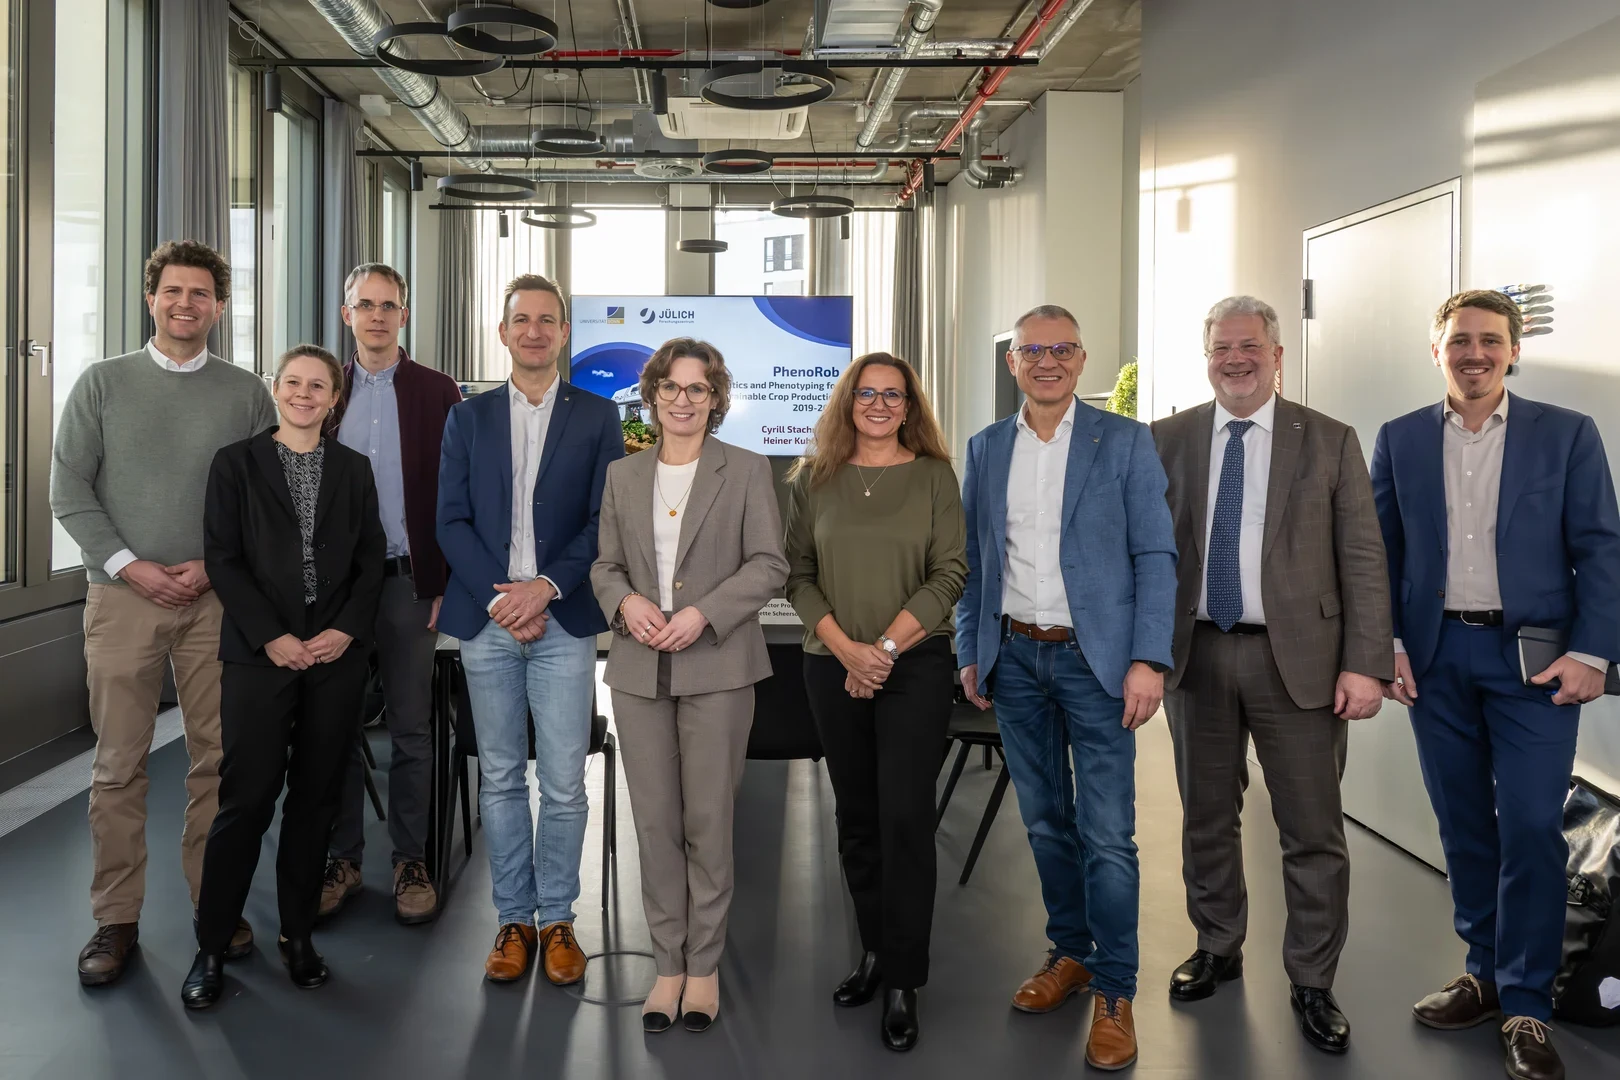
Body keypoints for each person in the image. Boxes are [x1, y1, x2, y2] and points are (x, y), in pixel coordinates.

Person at [1371, 290, 1620, 1080]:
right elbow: (1379, 555)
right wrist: (1388, 645)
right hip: (1438, 659)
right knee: (1464, 825)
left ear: (1513, 350)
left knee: (1530, 830)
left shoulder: (1567, 435)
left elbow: (1603, 550)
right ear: (1434, 349)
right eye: (1459, 342)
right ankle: (1483, 971)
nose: (1473, 355)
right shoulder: (1402, 439)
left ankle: (1527, 1003)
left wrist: (1592, 654)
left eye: (1489, 341)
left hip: (1533, 665)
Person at [1150, 295, 1391, 1054]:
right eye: (1222, 347)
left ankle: (1312, 979)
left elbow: (1363, 560)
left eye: (1250, 346)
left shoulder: (1328, 440)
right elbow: (1149, 556)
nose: (1236, 359)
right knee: (1205, 817)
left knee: (1312, 830)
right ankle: (1218, 946)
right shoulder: (1168, 438)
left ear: (1277, 355)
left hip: (1305, 664)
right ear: (1208, 356)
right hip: (1198, 654)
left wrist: (1366, 664)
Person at [955, 304, 1176, 1071]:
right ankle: (1070, 953)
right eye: (1031, 350)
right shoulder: (985, 449)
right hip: (1014, 660)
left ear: (1082, 361)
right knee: (1047, 821)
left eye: (1061, 349)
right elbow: (974, 564)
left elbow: (1155, 555)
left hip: (1098, 664)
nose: (1046, 361)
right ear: (1012, 363)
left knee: (1108, 834)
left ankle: (1115, 990)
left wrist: (1149, 658)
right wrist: (968, 649)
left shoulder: (1125, 442)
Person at [51, 240, 276, 987]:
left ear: (220, 306)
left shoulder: (245, 394)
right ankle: (115, 920)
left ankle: (216, 909)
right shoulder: (101, 384)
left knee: (219, 762)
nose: (187, 305)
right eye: (173, 292)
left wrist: (215, 567)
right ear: (151, 299)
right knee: (118, 766)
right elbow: (70, 491)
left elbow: (264, 500)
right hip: (122, 600)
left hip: (218, 602)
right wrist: (131, 566)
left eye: (201, 294)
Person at [590, 338, 788, 1034]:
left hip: (719, 668)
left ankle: (702, 968)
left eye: (697, 389)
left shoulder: (748, 471)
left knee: (708, 823)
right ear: (651, 396)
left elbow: (769, 565)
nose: (682, 400)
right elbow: (605, 565)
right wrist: (624, 604)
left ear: (716, 399)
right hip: (640, 670)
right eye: (670, 388)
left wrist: (704, 613)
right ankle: (665, 964)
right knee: (655, 825)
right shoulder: (623, 476)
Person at [181, 345, 385, 1008]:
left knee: (316, 800)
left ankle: (298, 937)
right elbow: (224, 558)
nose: (304, 394)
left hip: (334, 657)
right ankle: (212, 946)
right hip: (257, 657)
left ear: (333, 400)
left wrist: (344, 631)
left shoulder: (354, 470)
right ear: (277, 390)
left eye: (317, 386)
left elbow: (369, 559)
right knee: (245, 800)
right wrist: (273, 637)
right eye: (293, 382)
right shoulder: (235, 464)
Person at [436, 273, 623, 986]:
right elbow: (449, 519)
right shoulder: (468, 418)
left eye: (549, 320)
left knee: (567, 784)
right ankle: (513, 921)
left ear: (564, 332)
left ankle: (559, 921)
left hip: (566, 619)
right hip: (486, 622)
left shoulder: (598, 415)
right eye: (522, 319)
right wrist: (501, 598)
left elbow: (603, 521)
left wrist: (544, 588)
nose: (535, 331)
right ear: (504, 330)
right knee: (504, 777)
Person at [784, 351, 966, 1053]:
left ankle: (904, 979)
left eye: (895, 395)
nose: (881, 405)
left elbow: (950, 572)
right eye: (868, 393)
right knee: (857, 818)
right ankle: (873, 952)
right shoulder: (814, 480)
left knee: (904, 820)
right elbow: (798, 574)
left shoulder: (933, 478)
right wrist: (847, 651)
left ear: (911, 406)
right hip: (831, 667)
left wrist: (882, 652)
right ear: (847, 401)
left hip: (914, 666)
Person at [320, 263, 462, 926]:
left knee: (411, 728)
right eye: (364, 305)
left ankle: (411, 861)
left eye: (389, 305)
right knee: (337, 726)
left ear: (404, 315)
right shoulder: (324, 392)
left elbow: (458, 496)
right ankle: (342, 859)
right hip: (338, 592)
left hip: (411, 584)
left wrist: (445, 581)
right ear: (347, 313)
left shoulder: (439, 392)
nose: (376, 316)